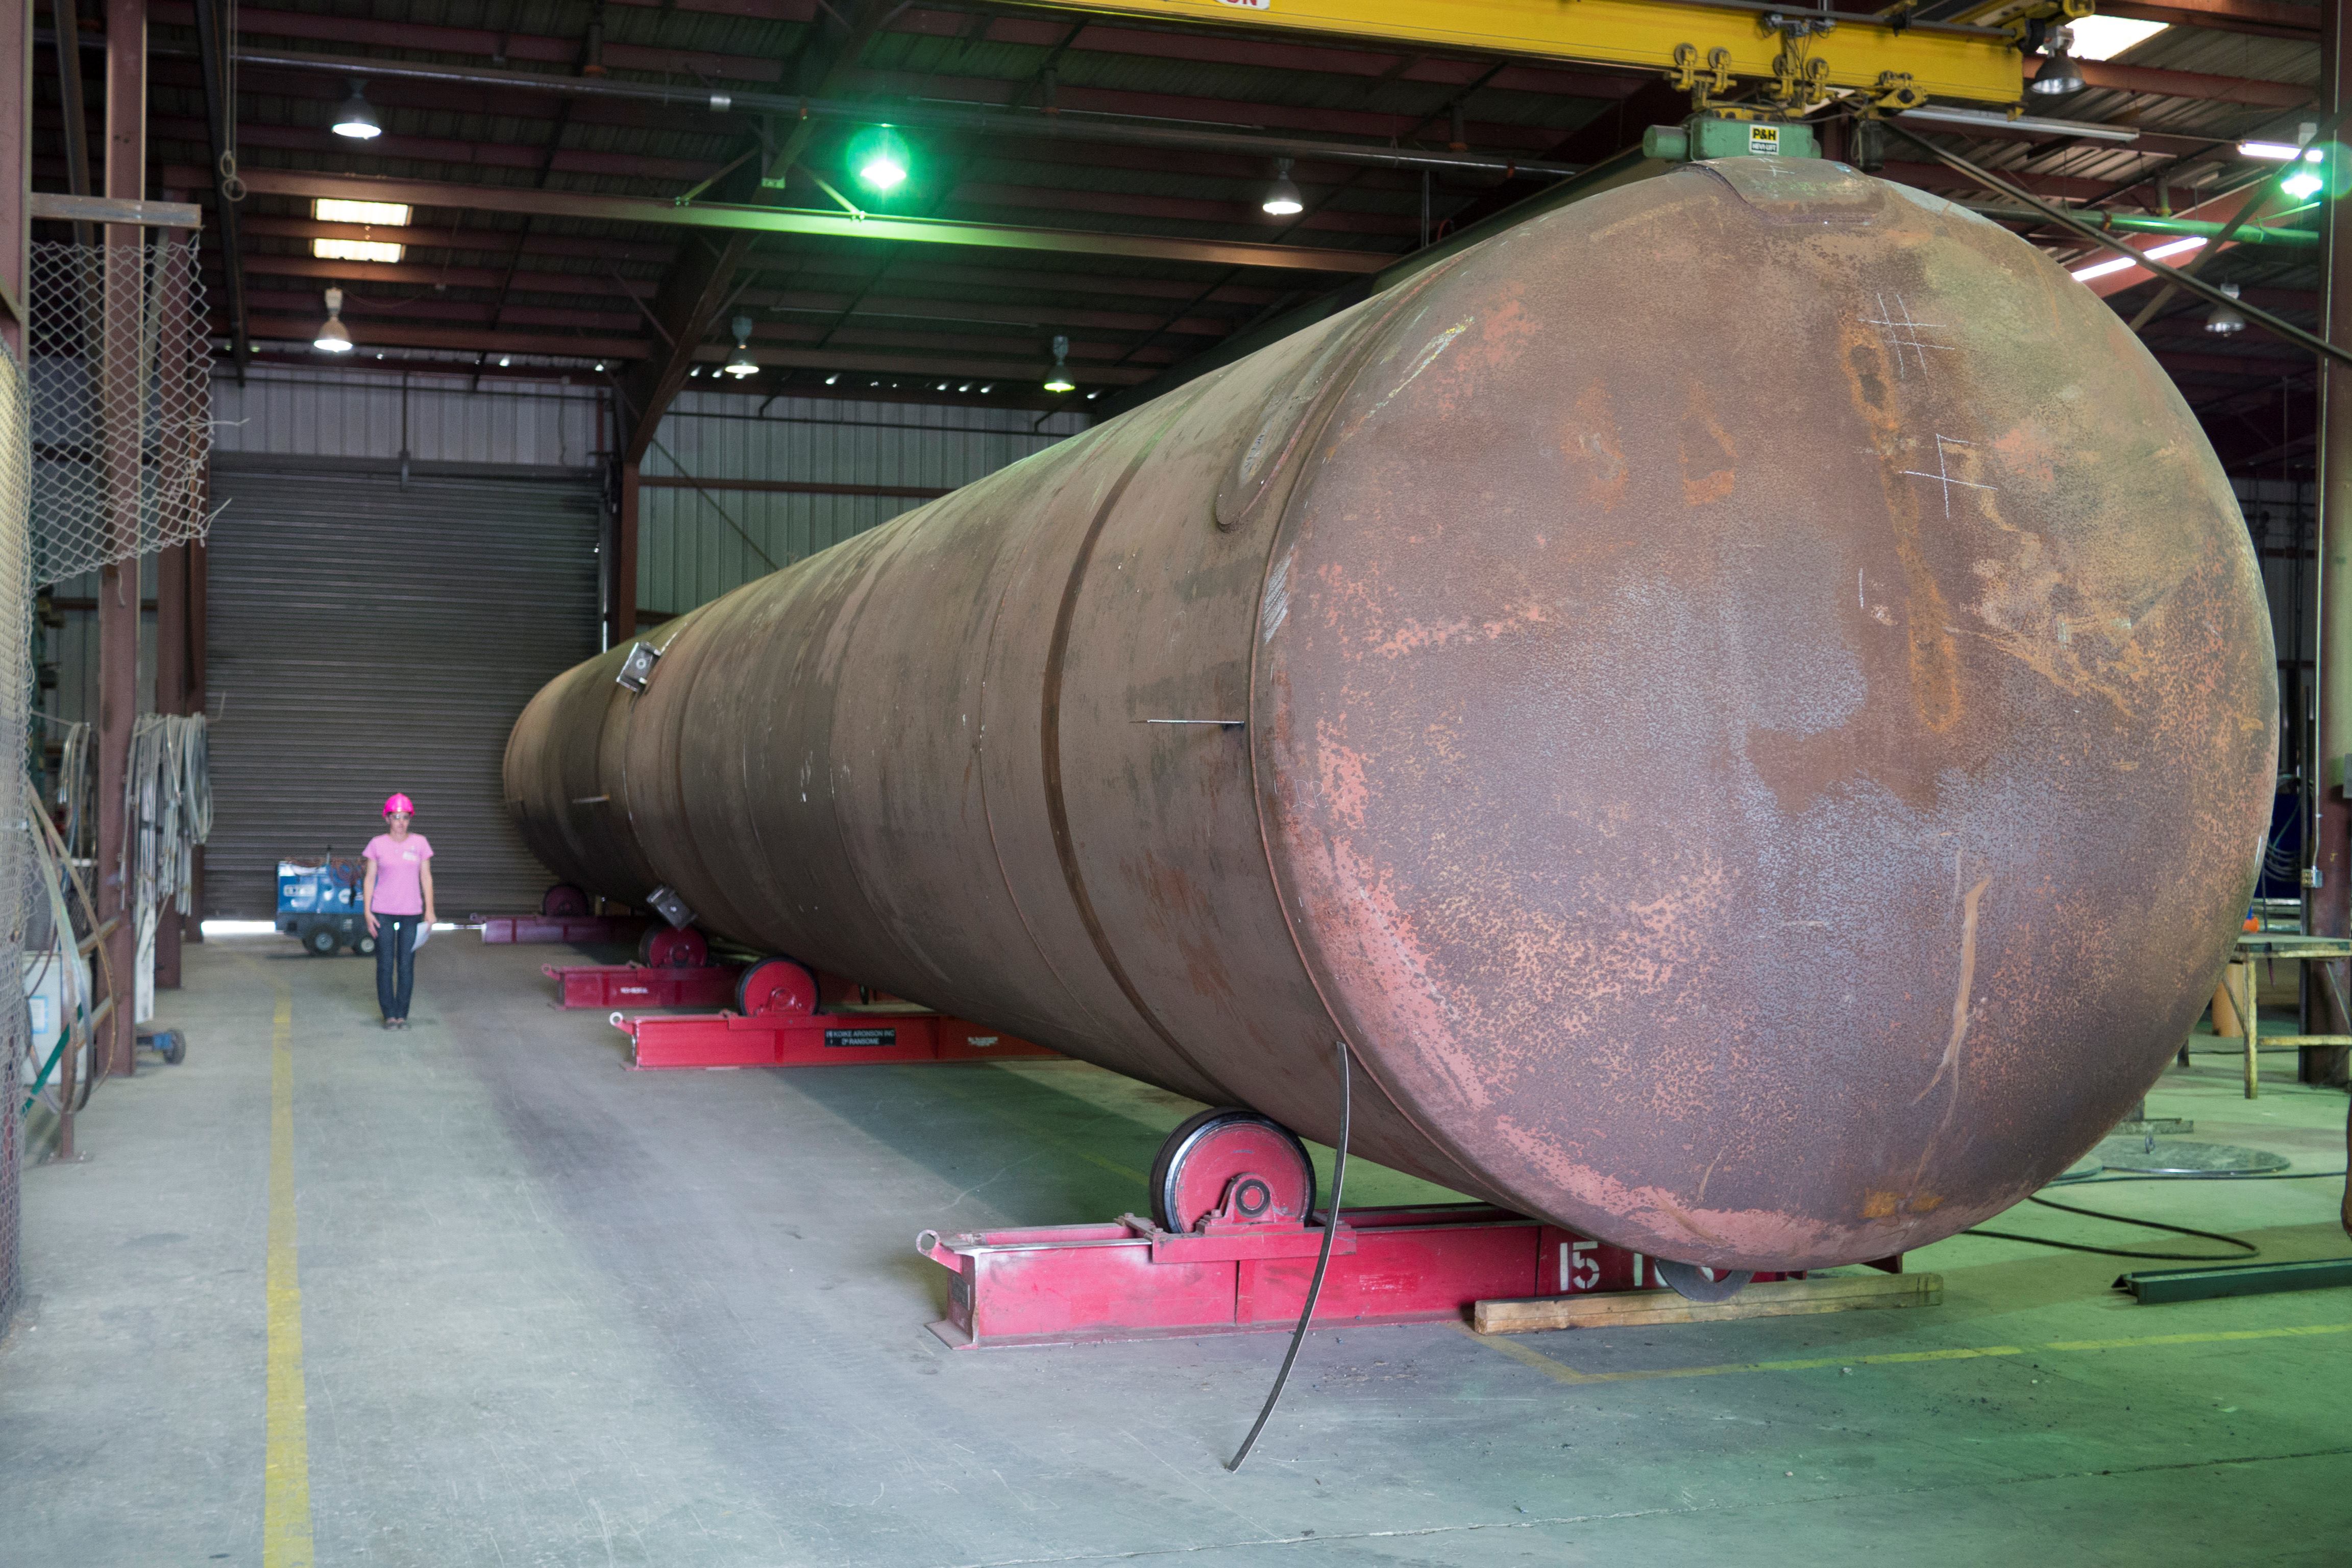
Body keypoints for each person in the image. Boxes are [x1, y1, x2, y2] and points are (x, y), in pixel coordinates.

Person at [362, 793, 435, 1030]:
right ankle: (389, 1015)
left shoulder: (420, 844)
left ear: (410, 819)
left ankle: (402, 1014)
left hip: (411, 913)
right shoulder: (377, 844)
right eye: (396, 817)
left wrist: (430, 910)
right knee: (385, 964)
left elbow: (426, 877)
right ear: (387, 819)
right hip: (382, 912)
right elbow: (369, 878)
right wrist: (367, 912)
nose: (401, 822)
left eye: (405, 817)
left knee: (406, 964)